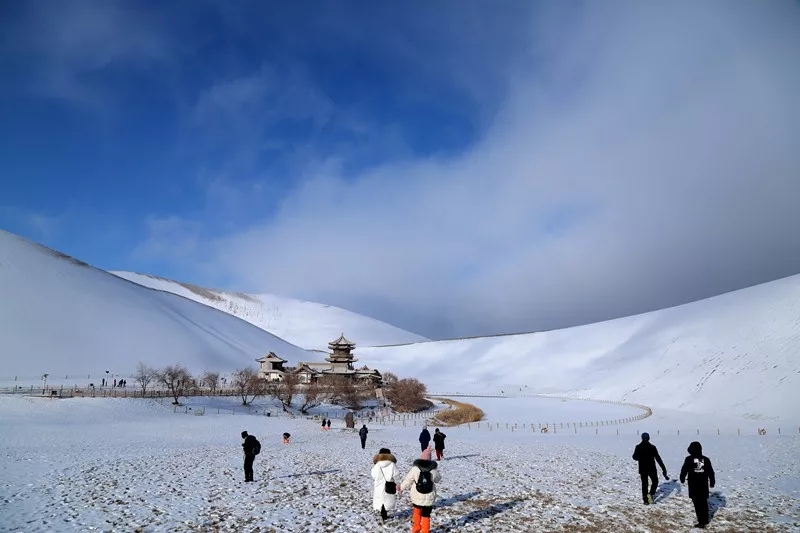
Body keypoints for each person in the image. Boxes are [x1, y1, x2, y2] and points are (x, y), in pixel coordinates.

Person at [401, 447, 441, 533]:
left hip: (417, 495)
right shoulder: (433, 470)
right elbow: (438, 479)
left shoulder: (415, 469)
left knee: (417, 512)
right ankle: (425, 530)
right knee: (426, 515)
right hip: (429, 496)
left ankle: (416, 528)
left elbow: (408, 480)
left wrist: (401, 487)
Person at [680, 441, 716, 529]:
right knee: (703, 503)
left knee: (697, 503)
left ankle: (701, 521)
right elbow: (711, 472)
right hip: (703, 485)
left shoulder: (688, 459)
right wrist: (712, 481)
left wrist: (682, 477)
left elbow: (684, 469)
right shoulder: (705, 459)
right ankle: (705, 520)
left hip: (694, 485)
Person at [632, 432, 668, 504]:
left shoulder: (638, 447)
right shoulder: (652, 447)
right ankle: (651, 494)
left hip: (642, 468)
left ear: (642, 438)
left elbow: (634, 457)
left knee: (644, 484)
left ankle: (645, 500)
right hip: (652, 468)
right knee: (655, 481)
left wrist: (641, 457)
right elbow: (658, 458)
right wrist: (663, 468)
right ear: (649, 438)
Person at [371, 447, 402, 523]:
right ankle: (385, 513)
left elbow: (373, 475)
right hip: (389, 485)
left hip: (379, 485)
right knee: (387, 499)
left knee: (380, 499)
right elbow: (396, 475)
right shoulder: (392, 464)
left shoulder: (377, 465)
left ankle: (383, 513)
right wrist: (397, 483)